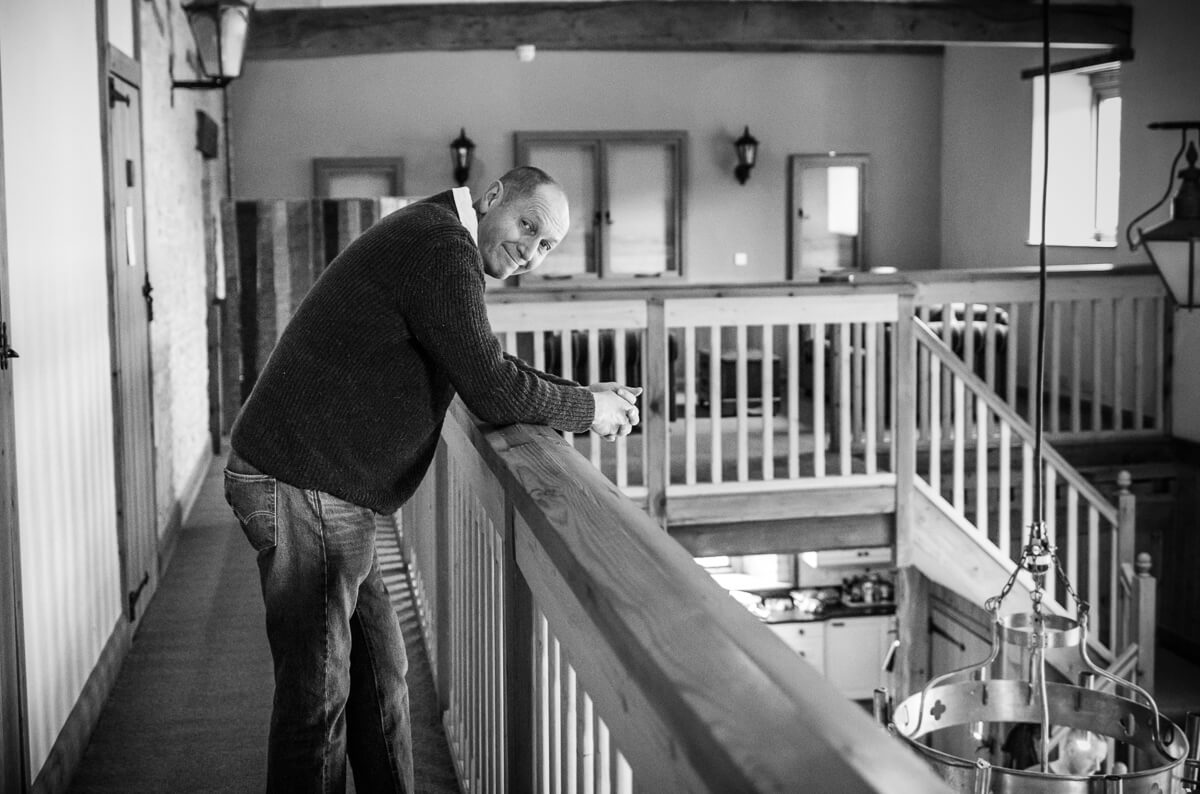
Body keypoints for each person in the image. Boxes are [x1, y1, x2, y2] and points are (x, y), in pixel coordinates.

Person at [223, 166, 641, 793]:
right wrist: (590, 412)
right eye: (528, 226)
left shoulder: (438, 235)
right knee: (318, 700)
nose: (530, 250)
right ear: (494, 197)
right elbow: (492, 387)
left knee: (380, 680)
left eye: (546, 245)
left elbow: (483, 361)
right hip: (302, 482)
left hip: (327, 486)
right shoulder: (440, 247)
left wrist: (580, 393)